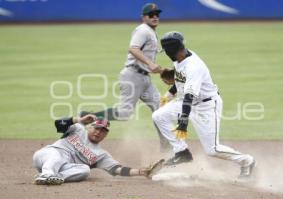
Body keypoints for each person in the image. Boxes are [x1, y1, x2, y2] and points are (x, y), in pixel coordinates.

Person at [152, 31, 256, 177]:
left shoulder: (194, 66)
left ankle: (247, 161)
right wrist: (168, 95)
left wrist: (183, 123)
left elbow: (189, 96)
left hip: (206, 106)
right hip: (188, 102)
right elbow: (180, 80)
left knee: (212, 149)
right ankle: (182, 152)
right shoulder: (180, 57)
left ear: (171, 51)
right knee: (159, 116)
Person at [81, 3, 170, 151]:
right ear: (144, 17)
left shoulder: (151, 32)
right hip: (132, 76)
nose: (155, 17)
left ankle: (167, 148)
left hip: (144, 78)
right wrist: (150, 63)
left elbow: (147, 59)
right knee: (124, 113)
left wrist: (159, 69)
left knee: (160, 109)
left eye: (157, 14)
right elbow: (133, 49)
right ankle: (87, 116)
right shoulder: (143, 30)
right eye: (151, 14)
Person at [33, 114, 152, 185]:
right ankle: (47, 174)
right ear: (90, 127)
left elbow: (117, 169)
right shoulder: (78, 129)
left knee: (85, 170)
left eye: (103, 131)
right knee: (57, 155)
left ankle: (53, 177)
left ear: (106, 135)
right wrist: (79, 120)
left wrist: (141, 172)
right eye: (97, 128)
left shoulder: (101, 155)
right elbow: (58, 124)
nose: (98, 132)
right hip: (46, 156)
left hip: (64, 167)